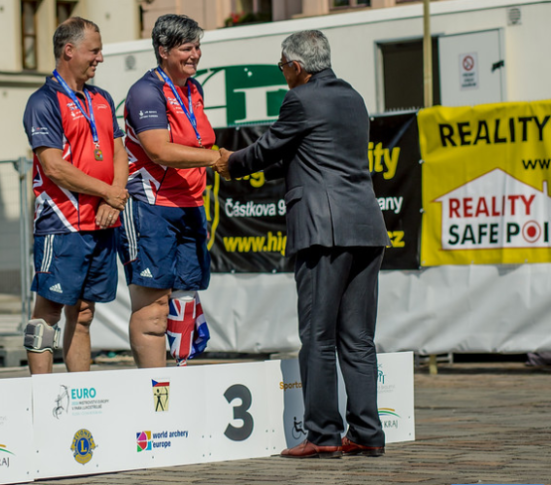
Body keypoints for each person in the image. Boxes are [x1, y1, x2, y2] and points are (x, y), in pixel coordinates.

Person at [214, 30, 390, 458]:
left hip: (323, 229)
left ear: (296, 66)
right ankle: (367, 432)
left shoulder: (301, 100)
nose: (282, 73)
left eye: (281, 66)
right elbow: (310, 154)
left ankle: (323, 434)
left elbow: (269, 149)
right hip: (366, 226)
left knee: (317, 334)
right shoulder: (353, 97)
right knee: (358, 337)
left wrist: (228, 163)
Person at [21, 17, 129, 374]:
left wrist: (113, 200)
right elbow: (54, 167)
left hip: (100, 222)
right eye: (94, 51)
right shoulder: (43, 101)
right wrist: (109, 194)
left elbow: (118, 153)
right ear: (70, 50)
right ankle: (42, 396)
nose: (100, 58)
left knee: (83, 312)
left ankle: (80, 396)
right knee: (48, 313)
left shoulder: (102, 98)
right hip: (61, 224)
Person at [117, 14, 219, 368]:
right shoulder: (146, 90)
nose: (195, 54)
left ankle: (183, 380)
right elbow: (159, 150)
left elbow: (198, 143)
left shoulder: (195, 89)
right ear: (163, 51)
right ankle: (156, 393)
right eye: (186, 48)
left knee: (187, 297)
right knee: (155, 306)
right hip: (151, 205)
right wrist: (215, 158)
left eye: (197, 47)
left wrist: (212, 159)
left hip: (190, 204)